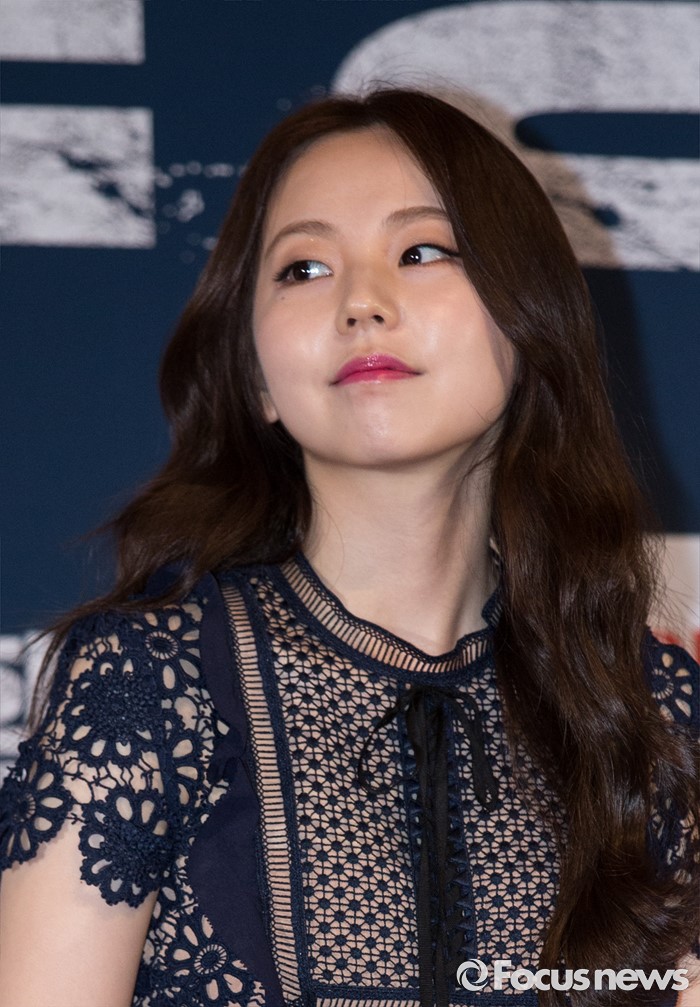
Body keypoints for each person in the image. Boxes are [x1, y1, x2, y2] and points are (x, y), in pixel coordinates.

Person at [0, 89, 697, 1007]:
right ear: (257, 377)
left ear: (528, 323)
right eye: (304, 268)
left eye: (421, 251)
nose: (362, 303)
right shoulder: (147, 682)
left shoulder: (650, 707)